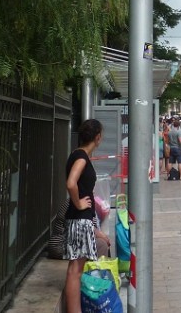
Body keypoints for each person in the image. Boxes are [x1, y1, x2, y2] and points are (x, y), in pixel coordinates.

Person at [63, 119, 111, 313]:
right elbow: (71, 183)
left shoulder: (77, 154)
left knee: (75, 269)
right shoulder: (82, 157)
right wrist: (79, 202)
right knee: (76, 270)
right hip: (79, 218)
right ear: (97, 137)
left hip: (79, 218)